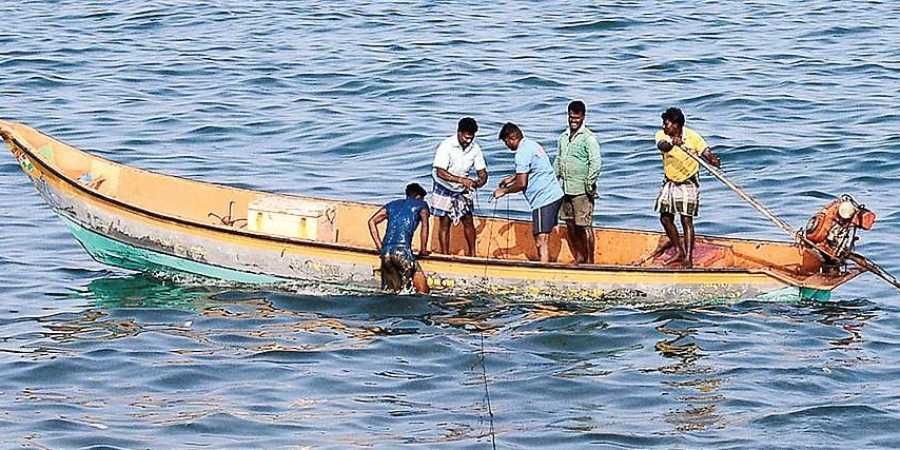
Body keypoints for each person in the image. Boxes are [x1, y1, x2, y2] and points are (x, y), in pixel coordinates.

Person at [654, 107, 721, 268]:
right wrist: (672, 142)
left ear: (676, 125)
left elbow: (705, 151)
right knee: (665, 217)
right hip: (670, 181)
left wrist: (712, 159)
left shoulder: (692, 137)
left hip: (688, 181)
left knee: (686, 219)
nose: (664, 126)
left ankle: (688, 258)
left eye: (667, 123)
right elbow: (662, 146)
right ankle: (678, 249)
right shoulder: (662, 136)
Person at [492, 122, 565, 263]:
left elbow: (522, 184)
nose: (507, 146)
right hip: (555, 194)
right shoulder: (532, 145)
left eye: (506, 142)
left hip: (544, 198)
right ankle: (545, 264)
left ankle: (543, 269)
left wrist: (504, 191)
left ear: (511, 138)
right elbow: (534, 169)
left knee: (541, 238)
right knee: (541, 235)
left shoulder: (521, 153)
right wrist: (512, 178)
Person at [430, 117, 488, 257]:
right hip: (443, 185)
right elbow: (440, 172)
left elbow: (483, 172)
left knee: (468, 220)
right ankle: (444, 255)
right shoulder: (446, 145)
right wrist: (461, 180)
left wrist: (479, 181)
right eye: (465, 137)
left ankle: (472, 254)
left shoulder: (475, 149)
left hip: (462, 189)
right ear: (459, 132)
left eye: (471, 138)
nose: (468, 141)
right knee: (445, 222)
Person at [554, 100, 601, 264]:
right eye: (571, 117)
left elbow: (595, 163)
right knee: (570, 224)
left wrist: (589, 183)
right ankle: (579, 256)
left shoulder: (589, 138)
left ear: (583, 117)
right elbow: (559, 159)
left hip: (582, 190)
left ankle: (590, 261)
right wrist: (554, 178)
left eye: (577, 118)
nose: (573, 121)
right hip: (566, 189)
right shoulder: (563, 137)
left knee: (584, 225)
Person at [368, 183, 431, 293]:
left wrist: (380, 247)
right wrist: (423, 250)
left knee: (392, 291)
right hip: (403, 253)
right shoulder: (421, 205)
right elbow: (425, 227)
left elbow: (371, 221)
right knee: (423, 292)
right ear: (418, 197)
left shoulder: (391, 205)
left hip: (386, 253)